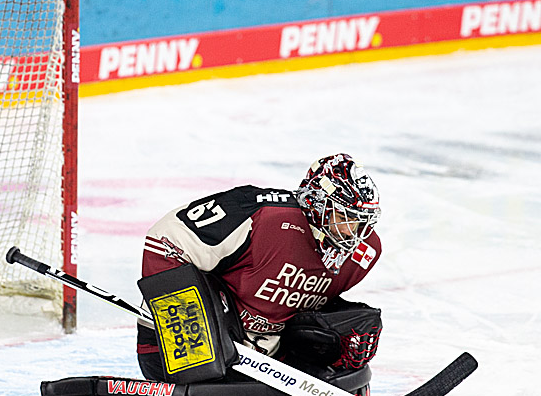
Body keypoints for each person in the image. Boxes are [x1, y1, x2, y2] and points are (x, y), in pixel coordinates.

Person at [136, 153, 383, 382]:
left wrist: (336, 338)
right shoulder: (263, 215)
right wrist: (193, 335)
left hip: (262, 365)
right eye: (345, 218)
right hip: (171, 351)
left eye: (362, 222)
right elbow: (165, 241)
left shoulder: (364, 254)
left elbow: (297, 306)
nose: (355, 233)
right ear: (316, 203)